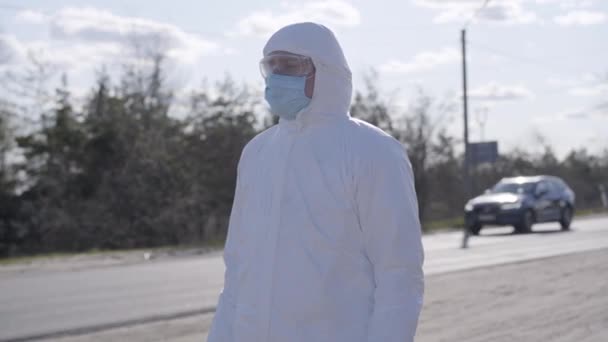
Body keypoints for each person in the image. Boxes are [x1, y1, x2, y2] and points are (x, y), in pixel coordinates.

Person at [208, 22, 424, 342]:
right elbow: (238, 267)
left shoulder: (373, 151)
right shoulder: (257, 153)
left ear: (326, 72)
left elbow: (399, 273)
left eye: (291, 65)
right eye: (272, 66)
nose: (278, 75)